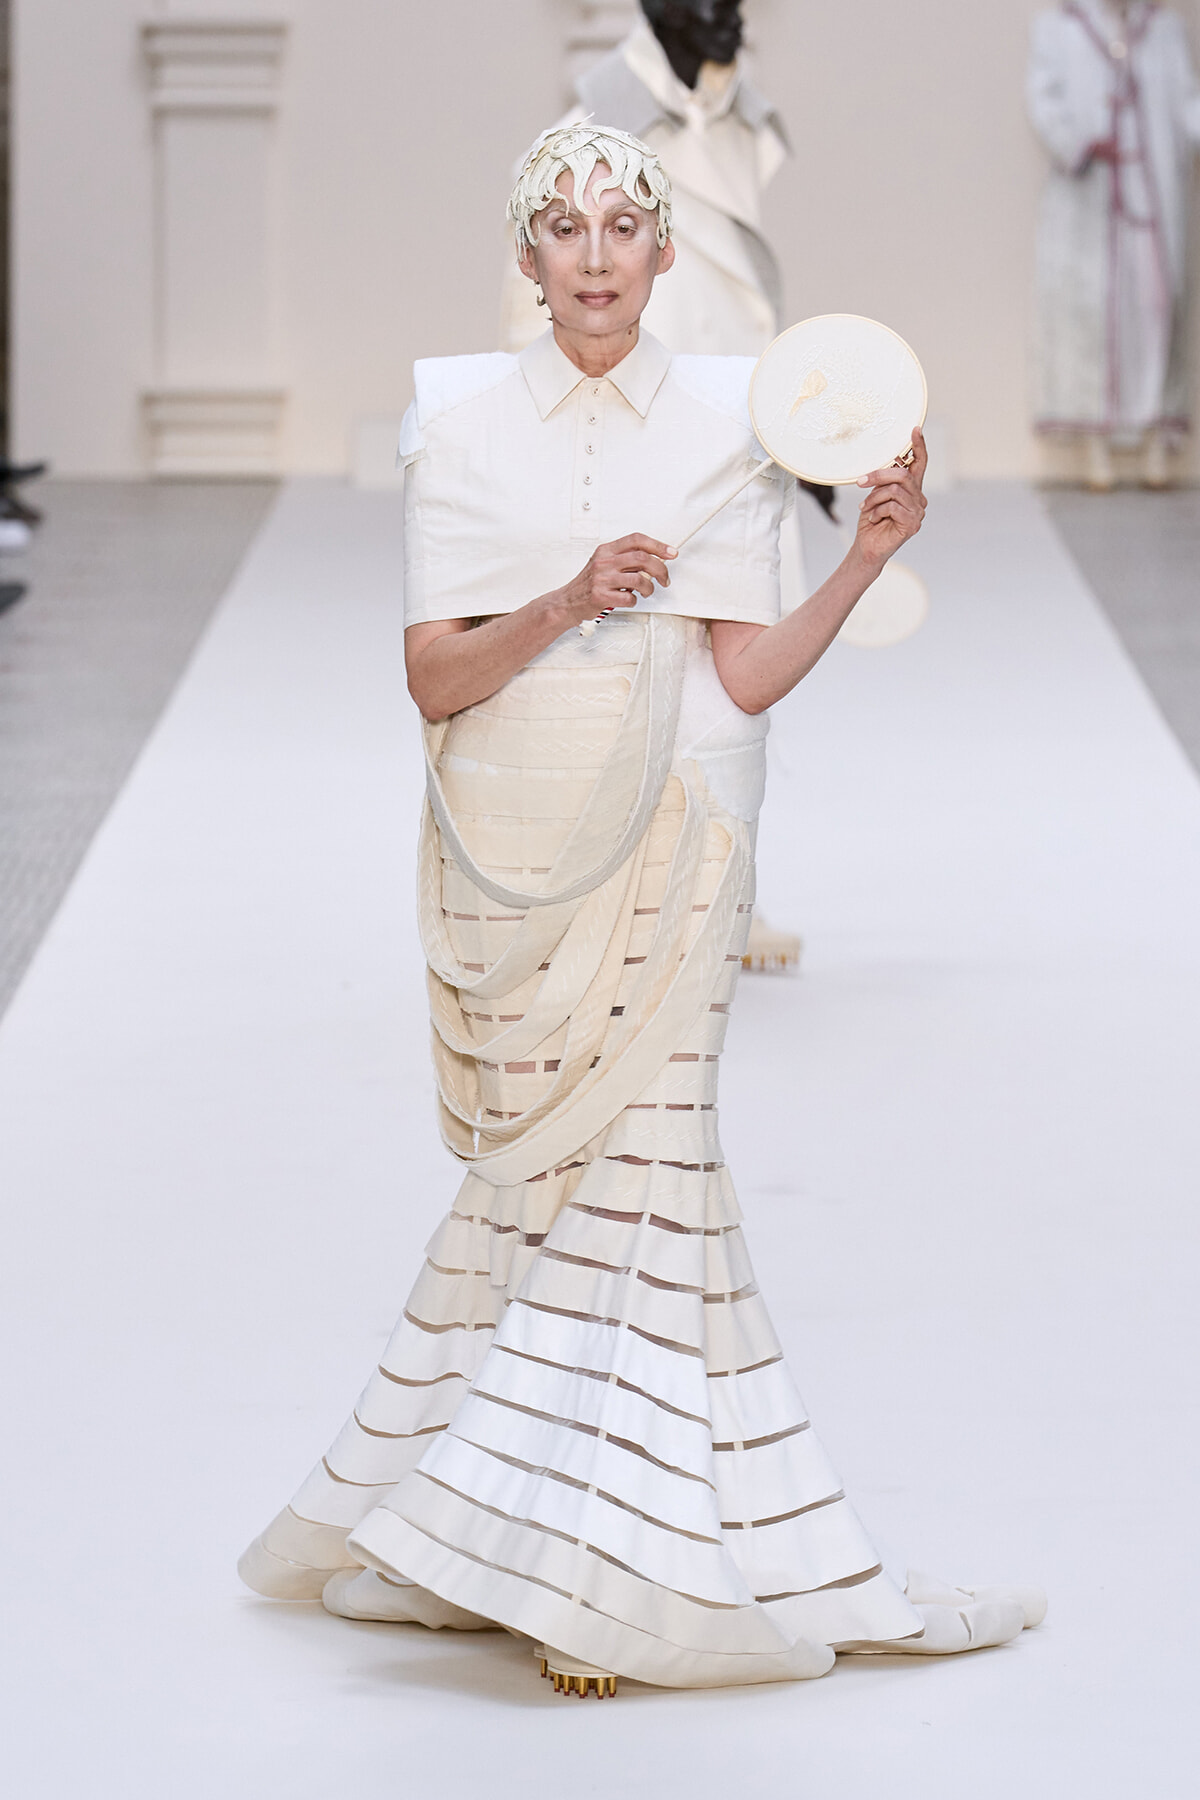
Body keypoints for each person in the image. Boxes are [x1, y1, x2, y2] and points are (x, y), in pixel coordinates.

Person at [239, 123, 1043, 1695]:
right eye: (564, 225)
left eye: (623, 224)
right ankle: (517, 1537)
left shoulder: (728, 432)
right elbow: (433, 674)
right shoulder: (462, 435)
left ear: (667, 255)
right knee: (539, 1200)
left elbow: (738, 668)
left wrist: (861, 560)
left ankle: (600, 1575)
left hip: (682, 843)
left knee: (652, 1182)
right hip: (519, 850)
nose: (597, 254)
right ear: (526, 257)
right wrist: (569, 597)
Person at [502, 0, 817, 971]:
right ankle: (607, 903)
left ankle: (724, 892)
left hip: (741, 450)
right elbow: (533, 311)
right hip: (633, 447)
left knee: (737, 688)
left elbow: (743, 309)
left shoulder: (741, 124)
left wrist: (797, 445)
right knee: (624, 687)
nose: (723, 13)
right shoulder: (587, 135)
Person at [1028, 1, 1200, 488]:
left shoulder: (1165, 28)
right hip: (1088, 195)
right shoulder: (1059, 27)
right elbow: (1043, 99)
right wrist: (1079, 141)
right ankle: (1094, 444)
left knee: (1158, 307)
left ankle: (1155, 440)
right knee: (1089, 308)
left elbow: (1188, 102)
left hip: (1155, 193)